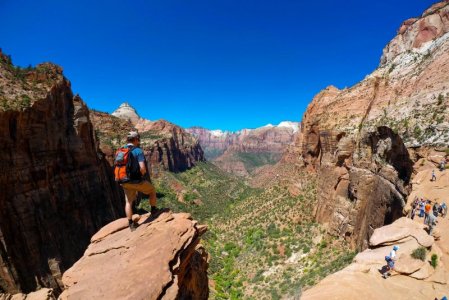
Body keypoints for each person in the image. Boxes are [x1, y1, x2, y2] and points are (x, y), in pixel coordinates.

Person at [115, 131, 160, 231]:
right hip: (135, 181)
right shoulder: (138, 151)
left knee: (128, 202)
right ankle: (153, 210)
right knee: (152, 190)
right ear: (136, 139)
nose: (138, 141)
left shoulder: (121, 150)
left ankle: (131, 224)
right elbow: (142, 168)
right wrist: (142, 175)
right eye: (138, 139)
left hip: (123, 180)